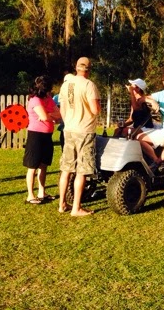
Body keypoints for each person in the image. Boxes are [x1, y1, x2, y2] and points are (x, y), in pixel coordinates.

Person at [57, 57, 101, 217]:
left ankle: (62, 204)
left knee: (66, 169)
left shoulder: (65, 85)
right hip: (84, 130)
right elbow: (95, 110)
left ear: (76, 68)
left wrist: (68, 121)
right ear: (89, 70)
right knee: (82, 171)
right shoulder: (89, 85)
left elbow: (62, 108)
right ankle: (76, 207)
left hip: (69, 129)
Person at [24, 75, 62, 204]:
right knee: (32, 166)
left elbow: (59, 114)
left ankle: (42, 192)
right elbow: (44, 116)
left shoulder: (48, 99)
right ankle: (30, 195)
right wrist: (50, 116)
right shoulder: (34, 100)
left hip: (47, 135)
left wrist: (50, 115)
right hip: (35, 135)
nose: (49, 91)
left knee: (43, 165)